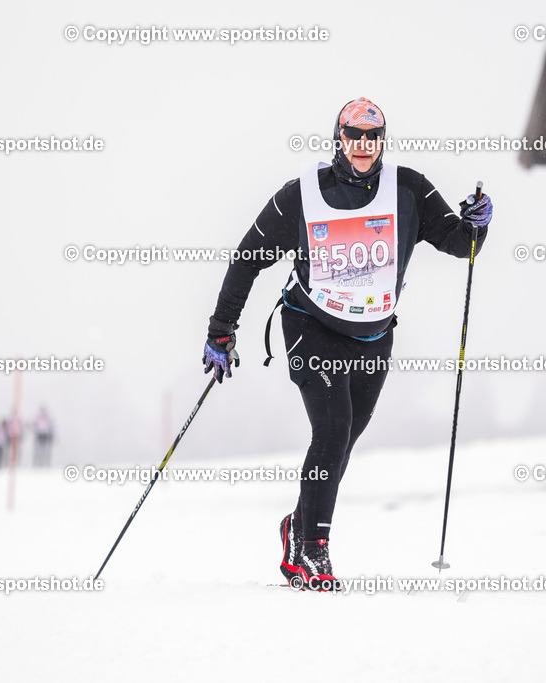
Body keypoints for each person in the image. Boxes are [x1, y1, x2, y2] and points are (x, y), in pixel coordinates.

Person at [203, 98, 493, 591]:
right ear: (338, 138)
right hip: (310, 325)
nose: (362, 145)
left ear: (382, 140)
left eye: (372, 136)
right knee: (333, 430)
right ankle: (313, 550)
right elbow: (248, 257)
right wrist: (221, 330)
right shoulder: (302, 195)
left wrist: (478, 223)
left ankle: (297, 527)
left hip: (374, 337)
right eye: (353, 135)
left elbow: (460, 243)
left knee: (341, 445)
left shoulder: (409, 190)